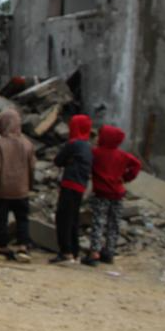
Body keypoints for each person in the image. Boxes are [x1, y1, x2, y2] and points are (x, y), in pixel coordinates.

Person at [82, 125, 141, 266]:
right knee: (114, 223)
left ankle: (94, 252)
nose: (97, 138)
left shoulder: (96, 152)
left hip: (101, 194)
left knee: (98, 222)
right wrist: (126, 177)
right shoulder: (122, 155)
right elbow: (137, 165)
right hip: (118, 193)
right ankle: (109, 252)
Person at [0, 108, 36, 263]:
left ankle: (3, 246)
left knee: (1, 218)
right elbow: (32, 167)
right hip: (21, 189)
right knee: (22, 219)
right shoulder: (27, 144)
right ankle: (23, 246)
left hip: (3, 190)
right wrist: (29, 184)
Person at [50, 114, 93, 264]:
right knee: (73, 219)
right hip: (80, 187)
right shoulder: (87, 147)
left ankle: (65, 252)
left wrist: (67, 161)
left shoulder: (73, 144)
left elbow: (58, 160)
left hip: (69, 185)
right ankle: (74, 252)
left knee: (63, 218)